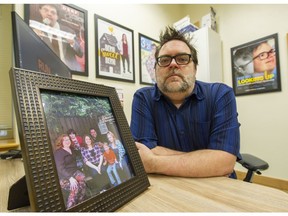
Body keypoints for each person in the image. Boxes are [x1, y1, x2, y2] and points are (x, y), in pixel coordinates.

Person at [130, 26, 240, 178]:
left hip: (216, 186)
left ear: (195, 68)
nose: (173, 64)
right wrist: (206, 160)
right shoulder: (143, 98)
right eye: (165, 60)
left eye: (182, 59)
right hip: (166, 187)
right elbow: (143, 153)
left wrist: (154, 163)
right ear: (155, 69)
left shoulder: (220, 94)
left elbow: (224, 162)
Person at [31, 4, 83, 71]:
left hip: (71, 72)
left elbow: (81, 53)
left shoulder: (69, 31)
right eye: (45, 10)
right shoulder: (35, 30)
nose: (49, 14)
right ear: (40, 11)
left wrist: (73, 43)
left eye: (53, 12)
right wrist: (34, 38)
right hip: (48, 72)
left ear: (57, 17)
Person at [53, 134, 86, 209]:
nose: (68, 141)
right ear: (61, 142)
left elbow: (81, 151)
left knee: (83, 181)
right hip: (63, 177)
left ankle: (80, 204)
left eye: (68, 139)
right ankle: (70, 208)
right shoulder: (58, 153)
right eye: (65, 140)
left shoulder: (72, 149)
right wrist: (71, 178)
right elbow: (60, 168)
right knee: (76, 187)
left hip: (75, 172)